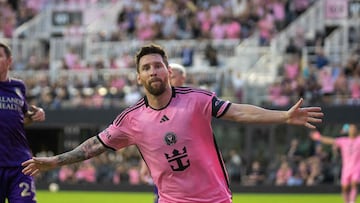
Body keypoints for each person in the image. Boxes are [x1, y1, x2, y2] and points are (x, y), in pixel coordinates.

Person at [22, 43, 323, 203]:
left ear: (168, 71)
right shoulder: (131, 119)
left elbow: (240, 112)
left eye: (158, 66)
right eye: (146, 68)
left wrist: (283, 115)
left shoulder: (196, 99)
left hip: (216, 199)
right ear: (138, 77)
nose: (153, 71)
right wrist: (55, 162)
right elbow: (94, 146)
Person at [0, 42, 46, 203]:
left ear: (9, 61)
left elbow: (22, 118)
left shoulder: (18, 87)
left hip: (20, 163)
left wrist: (36, 114)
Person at [139, 62, 187, 203]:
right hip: (164, 164)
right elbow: (150, 137)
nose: (169, 79)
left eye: (173, 76)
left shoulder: (193, 100)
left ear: (182, 78)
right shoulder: (156, 103)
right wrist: (145, 163)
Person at [310, 124, 360, 203]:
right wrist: (319, 137)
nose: (352, 130)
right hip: (346, 168)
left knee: (354, 183)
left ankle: (352, 201)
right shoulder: (344, 141)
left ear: (357, 131)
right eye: (351, 129)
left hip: (357, 167)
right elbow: (331, 141)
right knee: (345, 187)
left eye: (354, 128)